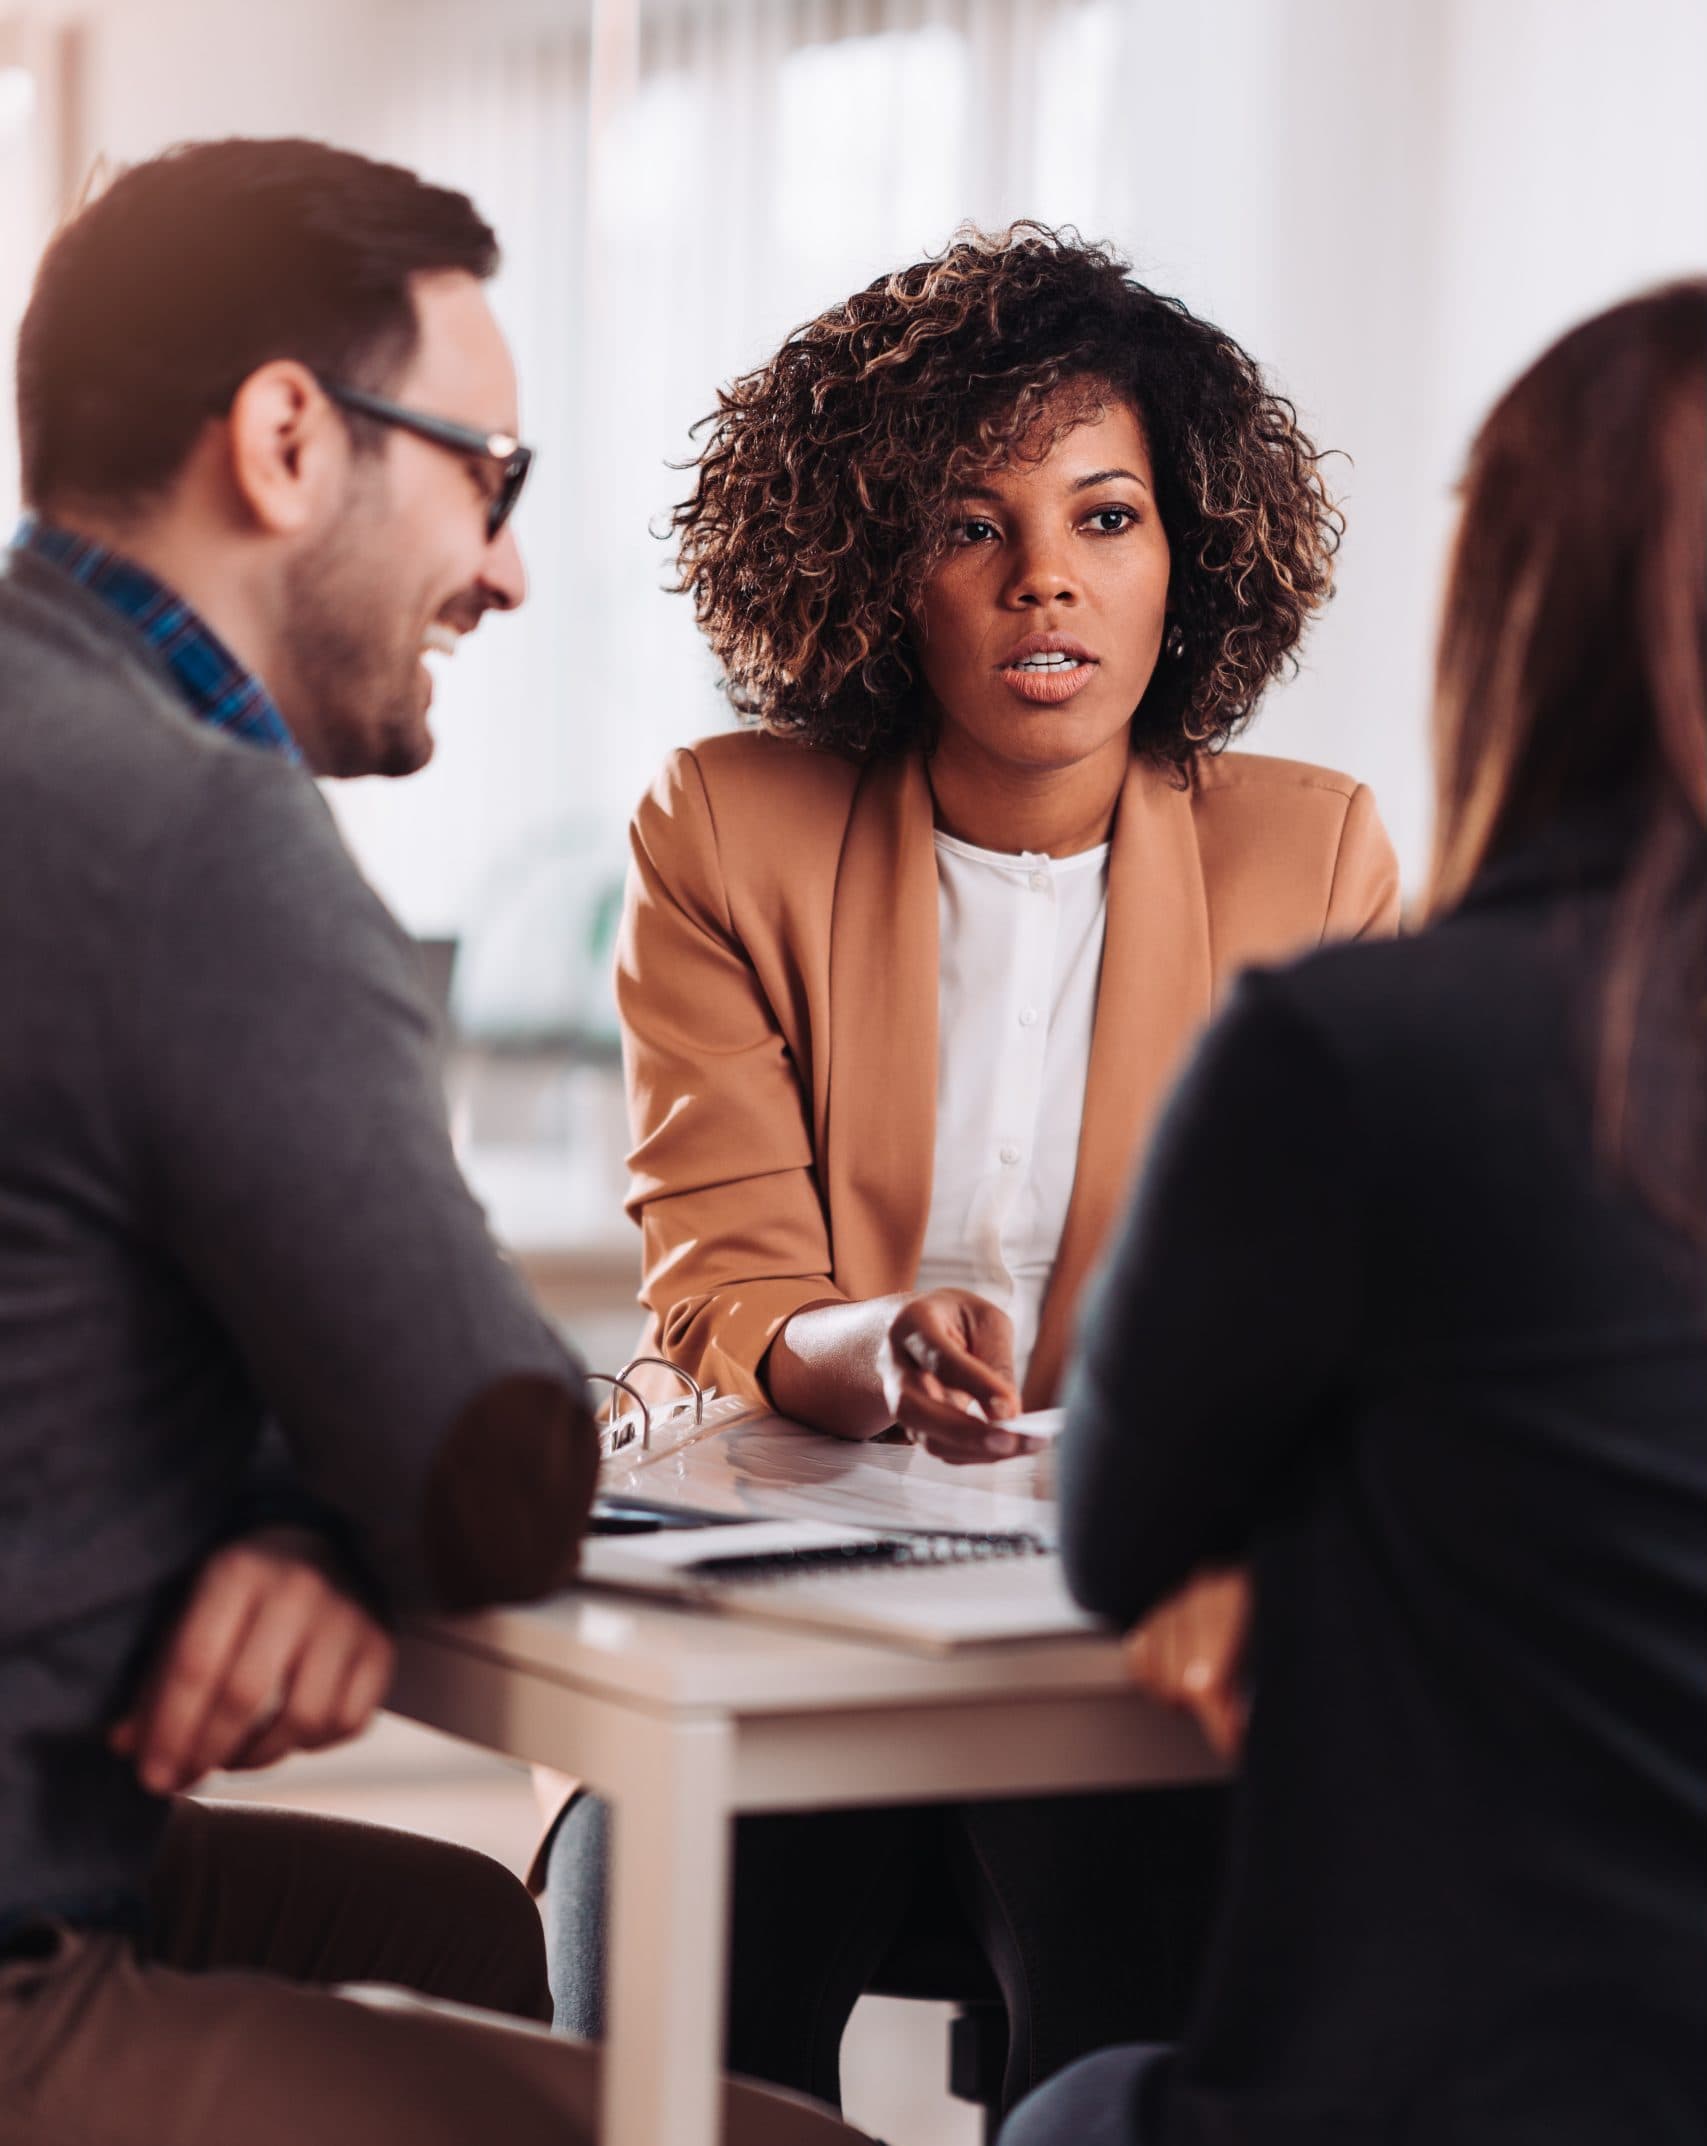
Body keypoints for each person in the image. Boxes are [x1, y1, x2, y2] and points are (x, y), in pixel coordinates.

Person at [0, 137, 863, 2146]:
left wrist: (300, 1505)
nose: (508, 568)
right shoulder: (195, 836)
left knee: (465, 1925)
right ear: (289, 438)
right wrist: (352, 1478)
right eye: (491, 473)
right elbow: (482, 1467)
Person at [543, 225, 1402, 2114]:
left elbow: (1340, 1319)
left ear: (1190, 554)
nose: (1046, 584)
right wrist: (879, 1345)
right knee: (638, 2052)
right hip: (778, 1600)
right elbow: (725, 1281)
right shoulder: (723, 825)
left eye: (1107, 519)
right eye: (969, 523)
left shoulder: (1313, 854)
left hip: (1105, 1634)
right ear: (874, 564)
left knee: (1156, 2051)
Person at [1002, 281, 1707, 2146]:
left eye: (1105, 516)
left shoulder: (1364, 1052)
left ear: (1514, 624)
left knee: (1068, 2109)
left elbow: (1116, 1527)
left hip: (1480, 2093)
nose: (1043, 583)